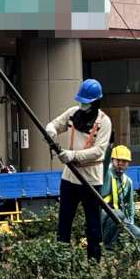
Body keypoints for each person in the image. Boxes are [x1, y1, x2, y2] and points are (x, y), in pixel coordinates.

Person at [45, 78, 111, 262]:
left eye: (86, 103)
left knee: (93, 225)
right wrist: (50, 131)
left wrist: (72, 155)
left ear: (96, 102)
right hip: (70, 177)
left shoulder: (104, 122)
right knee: (64, 222)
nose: (83, 106)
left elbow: (98, 151)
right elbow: (54, 124)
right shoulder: (73, 113)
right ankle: (62, 261)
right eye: (81, 101)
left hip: (91, 179)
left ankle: (93, 263)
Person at [100, 145, 140, 247]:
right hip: (101, 215)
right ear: (112, 160)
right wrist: (108, 146)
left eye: (124, 162)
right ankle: (108, 248)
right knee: (118, 214)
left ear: (128, 164)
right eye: (118, 161)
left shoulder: (127, 182)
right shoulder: (106, 174)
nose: (121, 164)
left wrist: (131, 222)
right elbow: (104, 163)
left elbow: (130, 205)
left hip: (118, 217)